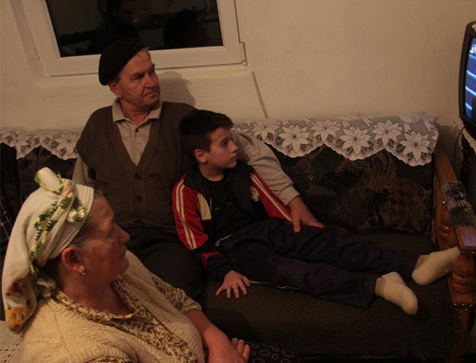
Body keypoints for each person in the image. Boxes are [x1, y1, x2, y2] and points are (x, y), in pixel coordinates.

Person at [1, 168, 322, 363]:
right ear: (73, 259)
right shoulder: (78, 359)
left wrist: (218, 343)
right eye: (111, 232)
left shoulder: (119, 271)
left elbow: (177, 300)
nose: (125, 237)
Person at [73, 37, 321, 302]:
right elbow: (80, 189)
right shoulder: (97, 124)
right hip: (114, 235)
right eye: (138, 77)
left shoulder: (183, 118)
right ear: (115, 88)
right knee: (90, 289)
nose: (152, 82)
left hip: (168, 239)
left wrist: (293, 201)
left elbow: (252, 152)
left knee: (180, 293)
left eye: (152, 72)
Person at [172, 110, 462, 315]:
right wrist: (226, 271)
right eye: (225, 143)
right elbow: (197, 245)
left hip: (270, 230)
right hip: (237, 249)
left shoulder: (242, 171)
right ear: (201, 155)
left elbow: (272, 204)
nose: (235, 147)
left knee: (330, 239)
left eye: (232, 139)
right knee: (292, 271)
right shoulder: (187, 190)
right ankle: (381, 285)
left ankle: (417, 264)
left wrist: (300, 229)